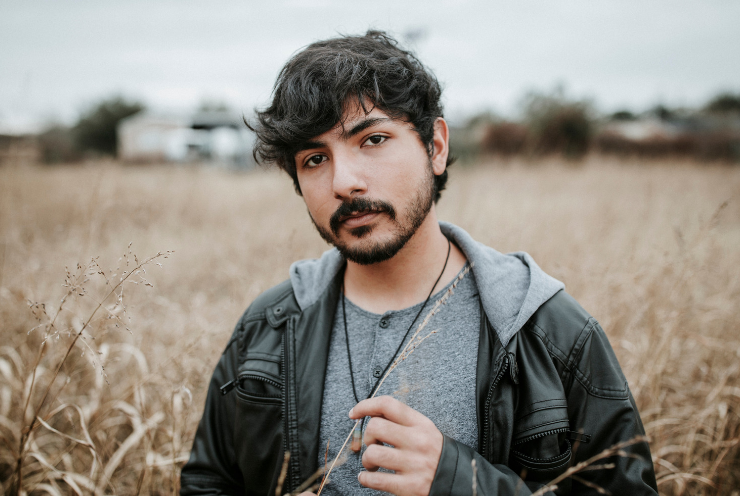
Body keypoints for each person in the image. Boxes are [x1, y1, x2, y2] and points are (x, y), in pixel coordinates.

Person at [180, 31, 658, 496]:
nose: (344, 182)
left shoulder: (549, 331)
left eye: (372, 140)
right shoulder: (267, 328)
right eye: (314, 159)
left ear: (436, 147)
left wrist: (459, 481)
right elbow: (207, 483)